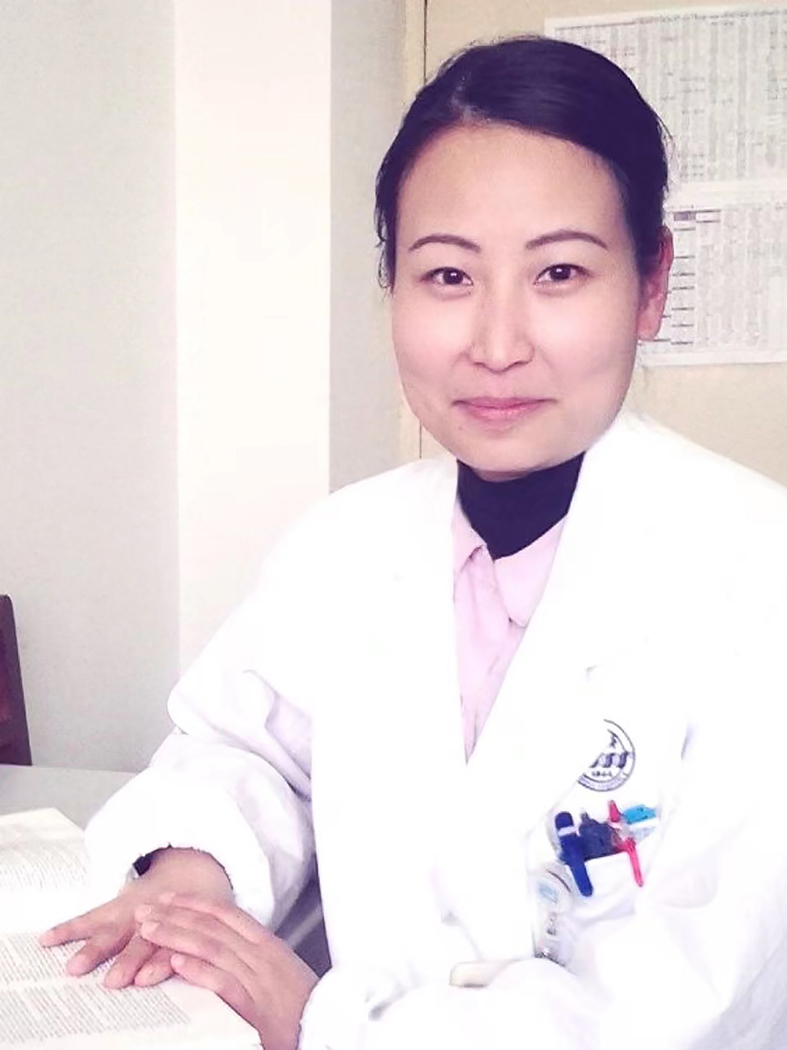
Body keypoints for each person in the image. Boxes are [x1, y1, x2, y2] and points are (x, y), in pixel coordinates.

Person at [42, 35, 787, 1050]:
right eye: (446, 275)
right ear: (392, 284)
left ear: (650, 283)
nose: (496, 344)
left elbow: (704, 993)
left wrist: (327, 1026)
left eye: (559, 271)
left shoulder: (756, 570)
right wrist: (189, 879)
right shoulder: (347, 544)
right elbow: (248, 748)